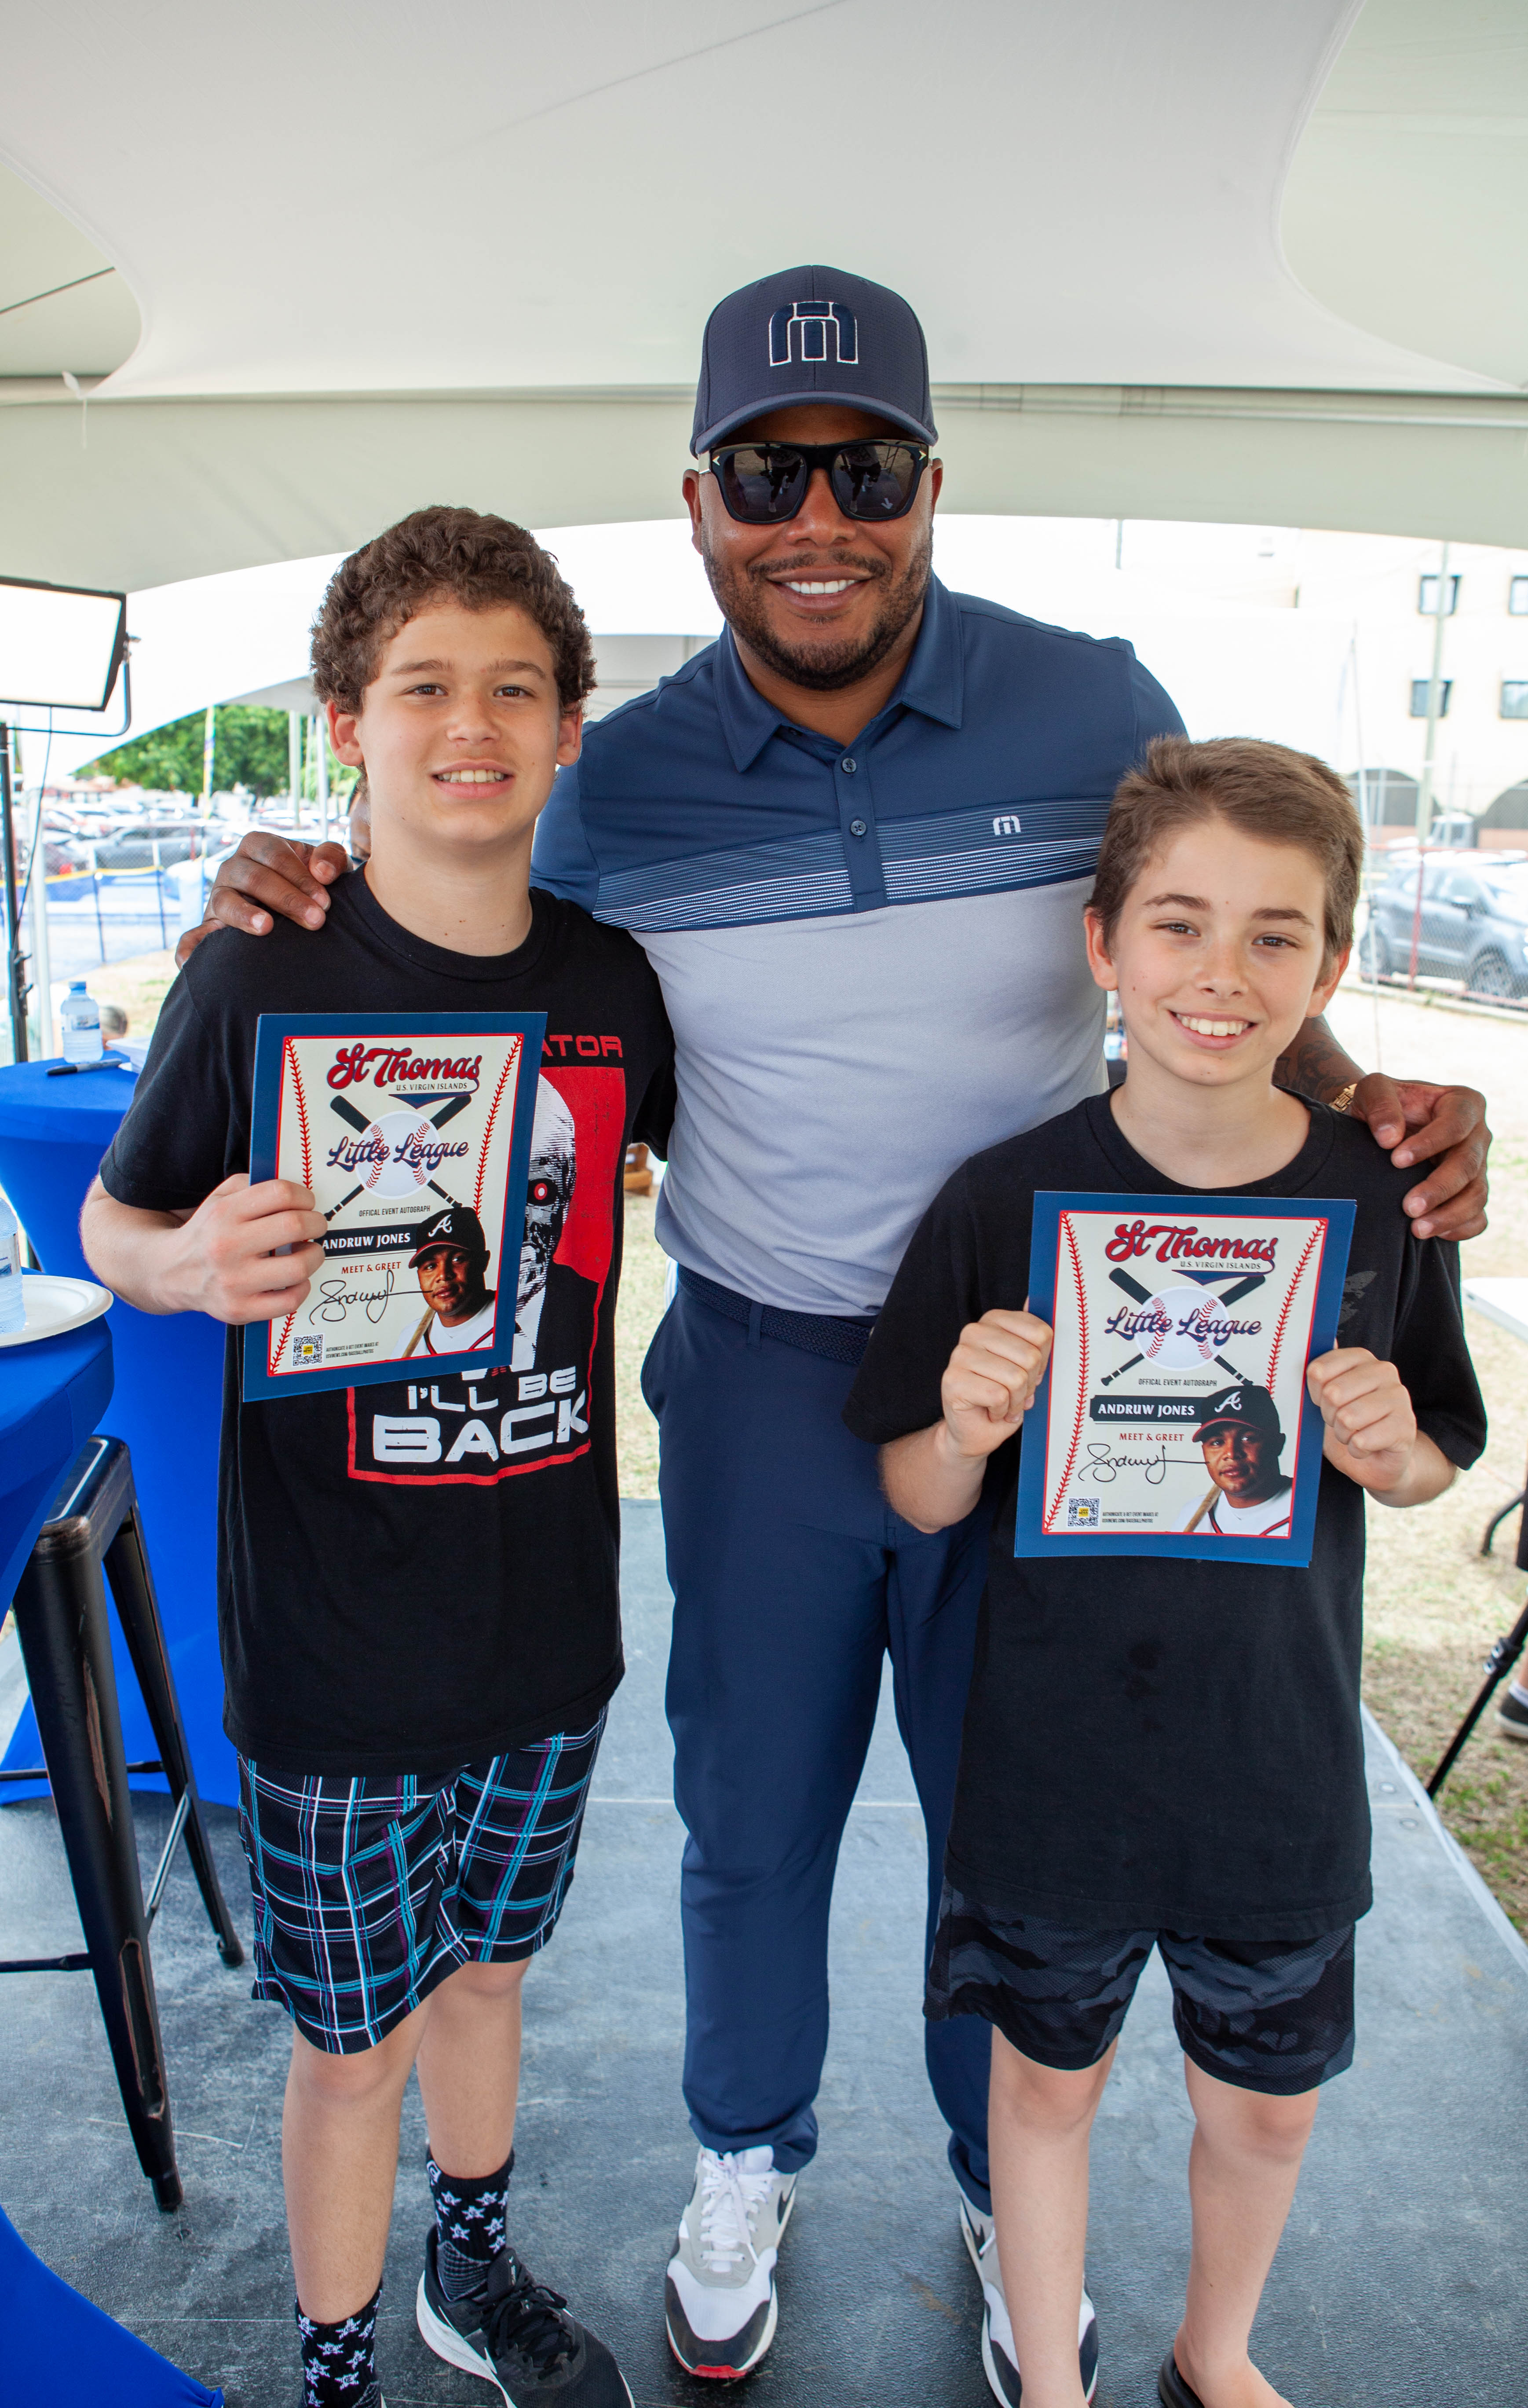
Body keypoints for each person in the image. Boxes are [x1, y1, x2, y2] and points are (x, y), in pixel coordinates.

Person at [182, 266, 1491, 2390]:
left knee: (1014, 1815)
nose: (818, 514)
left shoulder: (1095, 706)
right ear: (699, 498)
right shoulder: (619, 780)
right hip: (773, 1374)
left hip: (1056, 1379)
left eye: (862, 467)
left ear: (929, 486)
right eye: (769, 473)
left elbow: (1221, 952)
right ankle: (745, 2148)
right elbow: (440, 875)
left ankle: (1004, 2179)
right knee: (753, 1806)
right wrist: (278, 874)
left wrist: (1381, 1117)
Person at [81, 507, 673, 2408]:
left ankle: (468, 2269)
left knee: (492, 1983)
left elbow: (636, 1167)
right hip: (333, 1646)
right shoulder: (257, 975)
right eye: (424, 686)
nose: (470, 722)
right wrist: (180, 1261)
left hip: (542, 1625)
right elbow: (110, 1223)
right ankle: (335, 2361)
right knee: (349, 2050)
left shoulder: (612, 990)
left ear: (572, 726)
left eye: (515, 687)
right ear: (348, 721)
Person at [845, 736, 1487, 2408]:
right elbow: (912, 1492)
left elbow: (1429, 1464)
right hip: (1051, 1764)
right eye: (1179, 926)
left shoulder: (1371, 1203)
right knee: (1044, 2084)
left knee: (1262, 2101)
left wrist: (1380, 1445)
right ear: (1100, 942)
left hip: (1270, 1768)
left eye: (1274, 935)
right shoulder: (1001, 1200)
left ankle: (1213, 2350)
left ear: (1328, 966)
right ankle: (1049, 2379)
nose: (1221, 973)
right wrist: (967, 1424)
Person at [1186, 1384, 1293, 1537]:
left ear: (1278, 1444)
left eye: (1247, 1438)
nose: (1231, 1453)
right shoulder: (1191, 1513)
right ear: (1204, 1452)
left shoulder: (1311, 1508)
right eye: (1217, 1442)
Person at [404, 1205, 499, 1357]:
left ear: (483, 1261)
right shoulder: (409, 1338)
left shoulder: (519, 1318)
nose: (443, 1275)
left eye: (457, 1259)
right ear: (419, 1276)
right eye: (430, 1266)